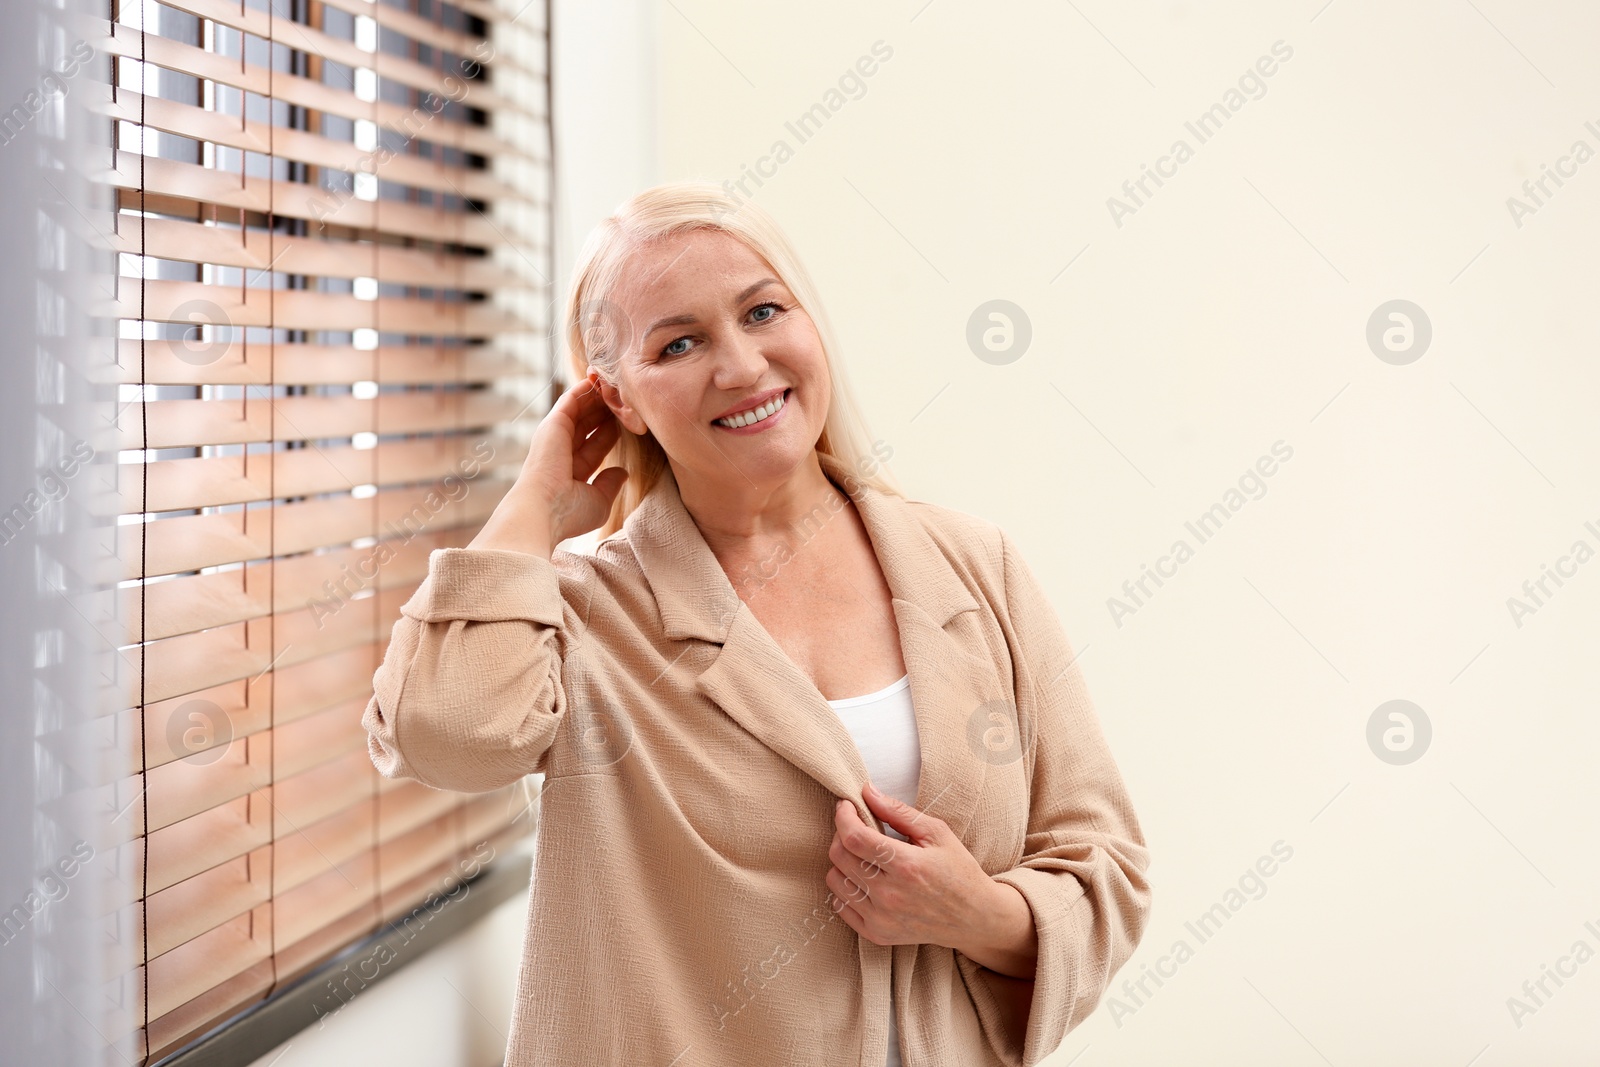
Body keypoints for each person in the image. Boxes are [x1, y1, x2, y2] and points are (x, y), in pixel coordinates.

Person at [362, 180, 1152, 1066]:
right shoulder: (585, 610)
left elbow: (1103, 865)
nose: (740, 366)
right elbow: (444, 731)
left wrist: (977, 913)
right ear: (617, 399)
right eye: (680, 342)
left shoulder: (975, 566)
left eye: (763, 311)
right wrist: (536, 503)